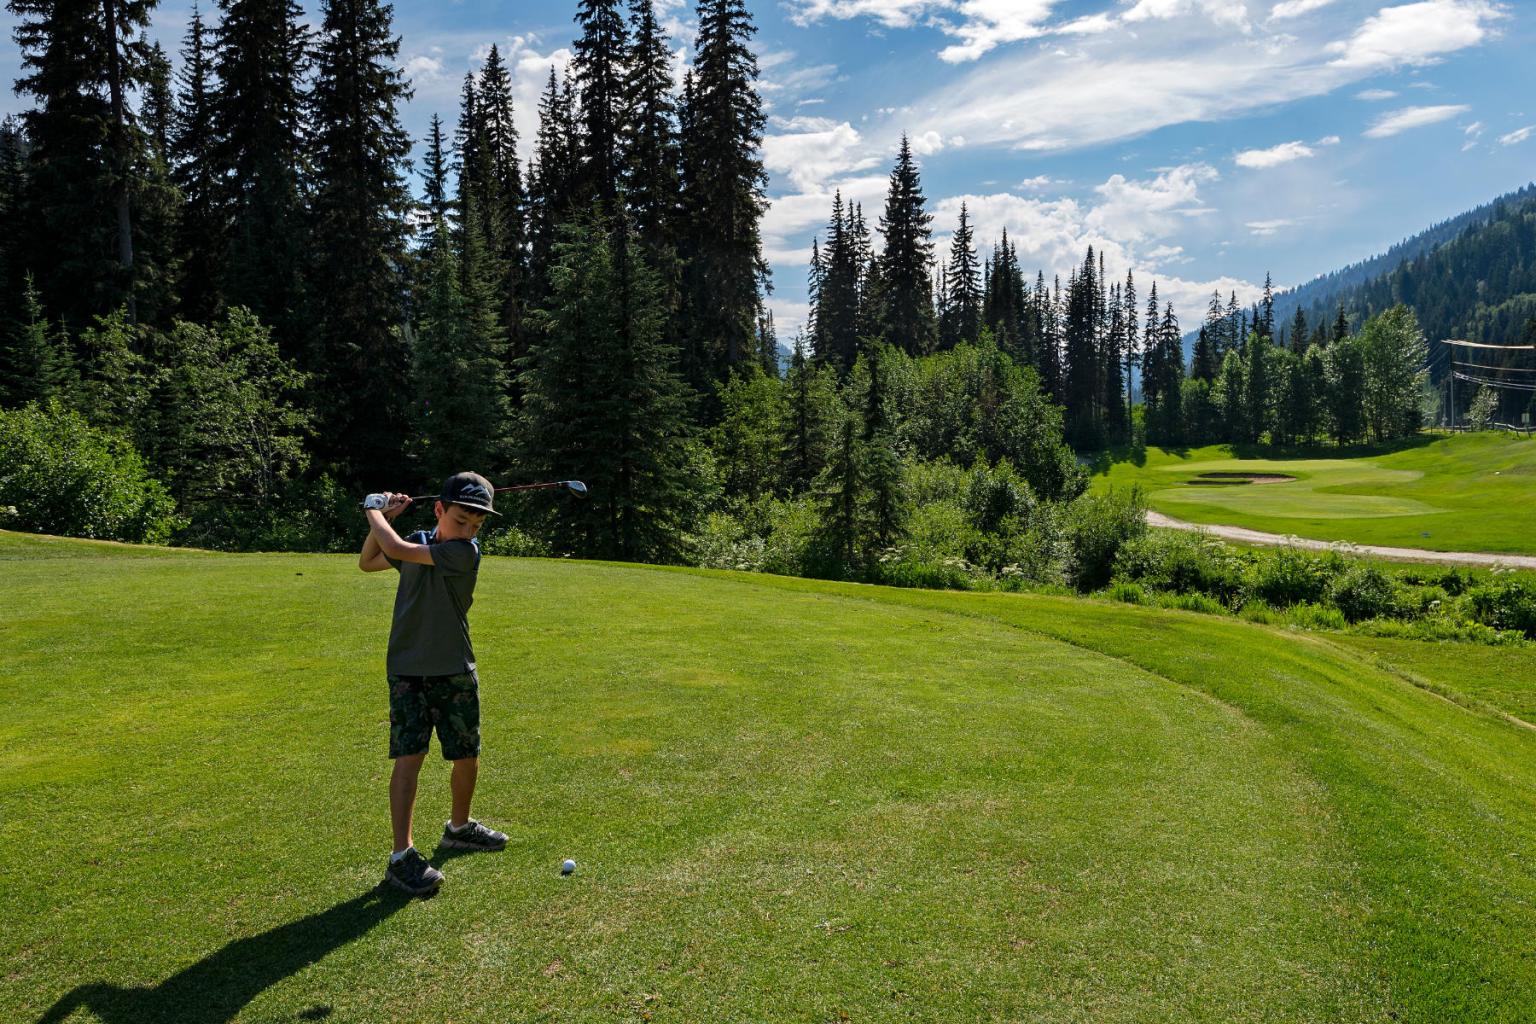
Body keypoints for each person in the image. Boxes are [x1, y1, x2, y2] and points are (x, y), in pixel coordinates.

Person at [359, 471, 508, 896]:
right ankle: (401, 856)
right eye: (461, 520)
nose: (468, 531)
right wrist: (385, 515)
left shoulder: (464, 553)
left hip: (454, 666)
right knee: (409, 757)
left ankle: (458, 827)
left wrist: (374, 509)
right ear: (439, 509)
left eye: (477, 525)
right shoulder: (421, 539)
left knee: (466, 753)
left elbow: (394, 547)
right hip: (407, 669)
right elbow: (370, 560)